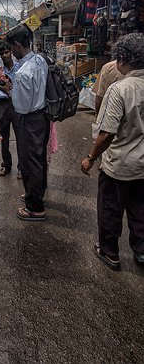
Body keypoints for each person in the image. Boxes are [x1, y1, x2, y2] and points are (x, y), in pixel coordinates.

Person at [81, 33, 144, 271]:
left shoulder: (120, 89)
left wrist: (90, 157)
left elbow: (106, 133)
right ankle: (141, 251)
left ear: (122, 60)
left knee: (110, 209)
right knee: (140, 209)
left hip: (119, 165)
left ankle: (110, 253)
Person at [5, 25, 50, 221]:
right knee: (39, 159)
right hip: (42, 116)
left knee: (29, 162)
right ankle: (36, 195)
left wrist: (9, 89)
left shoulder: (23, 73)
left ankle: (35, 208)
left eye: (11, 48)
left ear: (16, 45)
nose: (11, 53)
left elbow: (20, 106)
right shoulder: (41, 60)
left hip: (29, 120)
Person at [0, 39, 21, 179]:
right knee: (4, 138)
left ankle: (21, 167)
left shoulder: (20, 68)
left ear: (11, 52)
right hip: (2, 105)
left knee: (21, 137)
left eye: (7, 52)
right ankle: (6, 165)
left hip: (16, 104)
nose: (4, 56)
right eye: (2, 53)